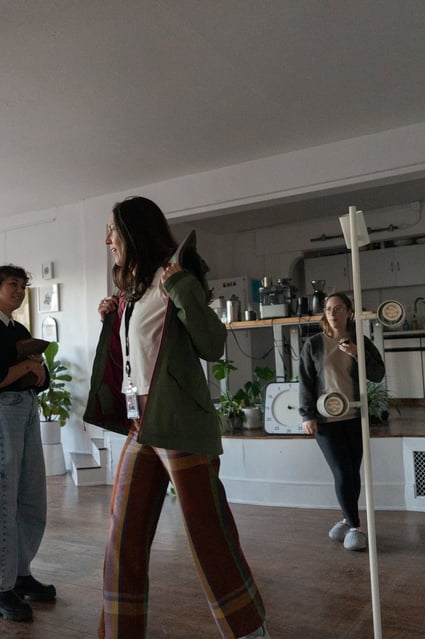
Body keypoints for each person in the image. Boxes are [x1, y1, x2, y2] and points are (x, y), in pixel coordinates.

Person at [84, 196, 270, 639]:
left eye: (112, 230)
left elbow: (212, 344)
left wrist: (183, 286)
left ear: (134, 232)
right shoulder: (131, 292)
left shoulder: (176, 276)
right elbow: (138, 357)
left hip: (179, 423)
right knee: (122, 538)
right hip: (141, 425)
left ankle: (248, 631)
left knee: (208, 533)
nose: (107, 240)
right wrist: (113, 317)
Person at [0, 264, 57, 622]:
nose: (19, 291)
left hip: (26, 409)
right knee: (2, 501)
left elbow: (42, 380)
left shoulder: (18, 329)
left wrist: (34, 371)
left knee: (31, 497)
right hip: (1, 412)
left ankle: (20, 574)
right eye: (12, 284)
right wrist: (26, 368)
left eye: (22, 286)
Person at [298, 292, 386, 551]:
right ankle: (356, 527)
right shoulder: (313, 344)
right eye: (328, 309)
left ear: (349, 312)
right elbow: (305, 380)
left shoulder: (360, 341)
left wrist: (358, 354)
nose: (333, 314)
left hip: (355, 417)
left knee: (352, 472)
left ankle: (347, 520)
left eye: (338, 308)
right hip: (325, 421)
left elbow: (378, 374)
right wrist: (306, 415)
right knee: (342, 472)